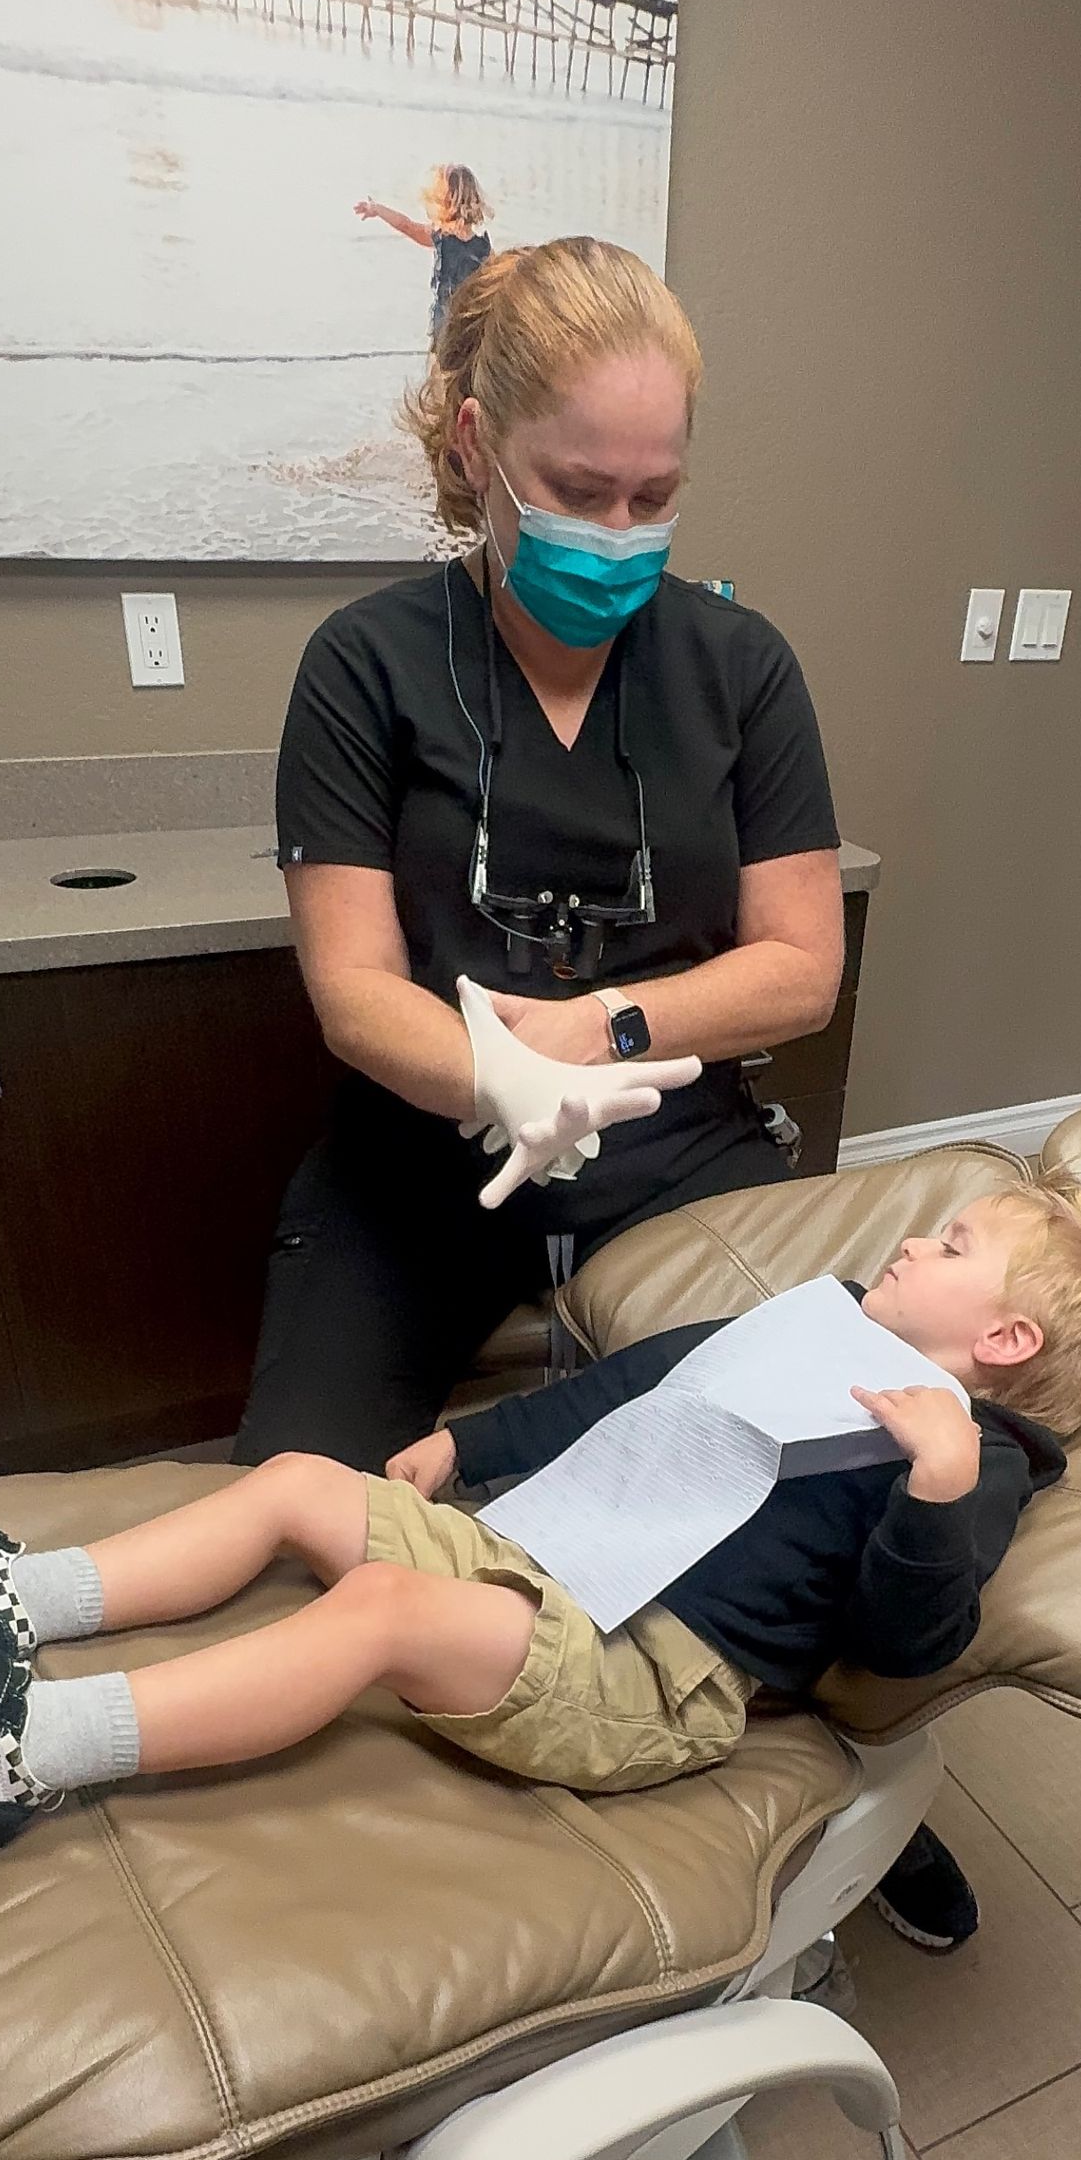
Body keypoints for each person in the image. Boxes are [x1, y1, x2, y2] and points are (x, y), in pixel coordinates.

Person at [0, 1185, 1081, 1924]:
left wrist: (936, 1489)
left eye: (951, 1245)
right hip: (537, 1550)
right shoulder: (814, 1330)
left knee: (384, 1609)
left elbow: (904, 1646)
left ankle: (16, 1752)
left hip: (646, 1670)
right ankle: (13, 1598)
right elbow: (633, 1389)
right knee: (299, 1481)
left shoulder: (974, 1460)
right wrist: (469, 1444)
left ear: (1003, 1341)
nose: (913, 1241)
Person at [235, 235, 847, 1474]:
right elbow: (353, 988)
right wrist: (500, 1079)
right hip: (426, 1155)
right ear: (477, 446)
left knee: (788, 1465)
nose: (619, 531)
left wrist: (602, 1028)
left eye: (653, 497)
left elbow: (801, 967)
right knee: (306, 1494)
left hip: (675, 1150)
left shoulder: (741, 669)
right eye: (577, 489)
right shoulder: (365, 664)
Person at [353, 164, 493, 341]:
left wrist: (378, 210)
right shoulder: (483, 246)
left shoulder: (442, 238)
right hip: (473, 321)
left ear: (442, 203)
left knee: (443, 356)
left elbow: (406, 225)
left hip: (446, 322)